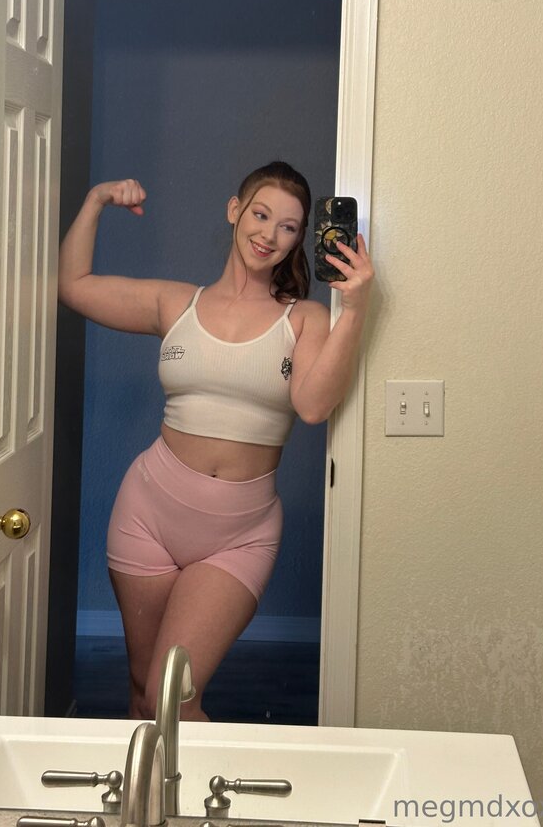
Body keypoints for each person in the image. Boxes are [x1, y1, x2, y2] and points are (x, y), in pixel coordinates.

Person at [58, 161, 373, 721]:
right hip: (147, 515)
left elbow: (313, 405)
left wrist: (355, 307)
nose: (269, 234)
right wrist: (96, 200)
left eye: (288, 227)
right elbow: (74, 286)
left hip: (240, 535)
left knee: (172, 697)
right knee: (143, 692)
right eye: (260, 214)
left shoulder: (304, 319)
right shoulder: (175, 303)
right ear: (234, 211)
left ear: (300, 238)